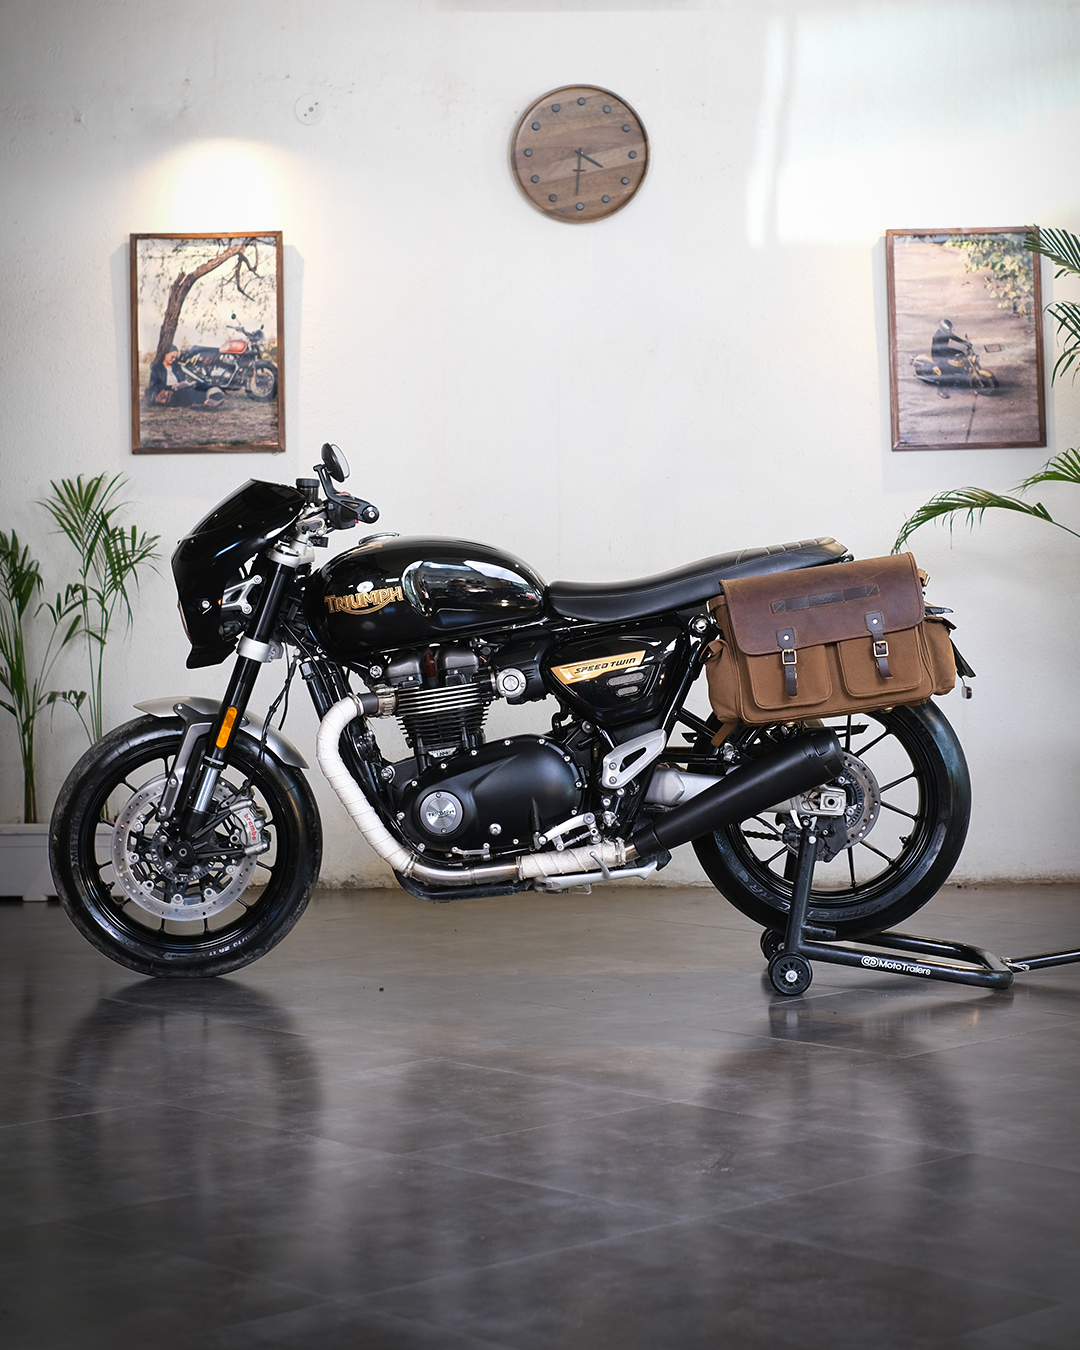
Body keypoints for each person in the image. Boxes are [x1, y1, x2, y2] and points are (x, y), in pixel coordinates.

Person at [145, 347, 225, 408]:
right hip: (170, 393)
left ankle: (214, 396)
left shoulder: (176, 367)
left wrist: (183, 384)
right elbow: (155, 385)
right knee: (187, 391)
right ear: (165, 354)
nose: (173, 360)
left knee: (198, 385)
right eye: (172, 357)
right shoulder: (157, 367)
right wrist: (171, 387)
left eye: (175, 358)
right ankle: (208, 401)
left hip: (180, 388)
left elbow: (182, 380)